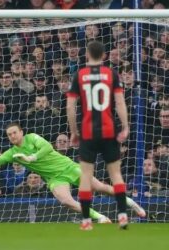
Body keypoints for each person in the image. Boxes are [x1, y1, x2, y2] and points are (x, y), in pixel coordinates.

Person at [0, 123, 145, 226]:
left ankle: (132, 204)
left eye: (15, 132)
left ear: (21, 132)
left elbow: (47, 147)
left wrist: (32, 157)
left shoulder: (32, 138)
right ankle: (100, 217)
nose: (12, 136)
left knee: (99, 187)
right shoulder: (11, 153)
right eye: (9, 134)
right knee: (66, 201)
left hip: (68, 167)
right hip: (54, 178)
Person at [66, 40, 131, 230]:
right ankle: (123, 216)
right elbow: (120, 103)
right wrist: (125, 127)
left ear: (87, 54)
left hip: (87, 132)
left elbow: (70, 106)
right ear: (104, 56)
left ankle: (86, 221)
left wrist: (74, 131)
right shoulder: (112, 74)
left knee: (86, 176)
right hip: (109, 130)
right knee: (116, 175)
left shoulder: (79, 75)